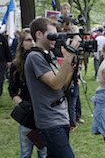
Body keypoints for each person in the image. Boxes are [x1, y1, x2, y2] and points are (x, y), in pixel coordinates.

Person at [24, 17, 79, 158]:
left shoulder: (50, 55)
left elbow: (62, 86)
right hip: (49, 121)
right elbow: (55, 84)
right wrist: (67, 58)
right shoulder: (34, 57)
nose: (55, 39)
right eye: (52, 34)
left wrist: (71, 70)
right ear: (39, 34)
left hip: (60, 117)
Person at [8, 28, 47, 158]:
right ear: (22, 43)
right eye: (28, 40)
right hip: (27, 114)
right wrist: (23, 105)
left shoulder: (44, 60)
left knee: (44, 152)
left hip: (43, 112)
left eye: (34, 40)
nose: (32, 43)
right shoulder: (16, 65)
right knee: (25, 152)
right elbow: (13, 91)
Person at [0, 33, 12, 98]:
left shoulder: (2, 38)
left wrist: (9, 60)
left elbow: (7, 49)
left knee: (1, 79)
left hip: (1, 62)